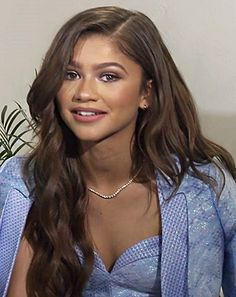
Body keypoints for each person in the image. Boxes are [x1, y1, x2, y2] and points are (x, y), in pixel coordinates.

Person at [0, 6, 235, 297]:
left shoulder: (206, 190)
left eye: (108, 77)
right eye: (71, 74)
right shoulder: (22, 184)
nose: (84, 93)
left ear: (146, 93)